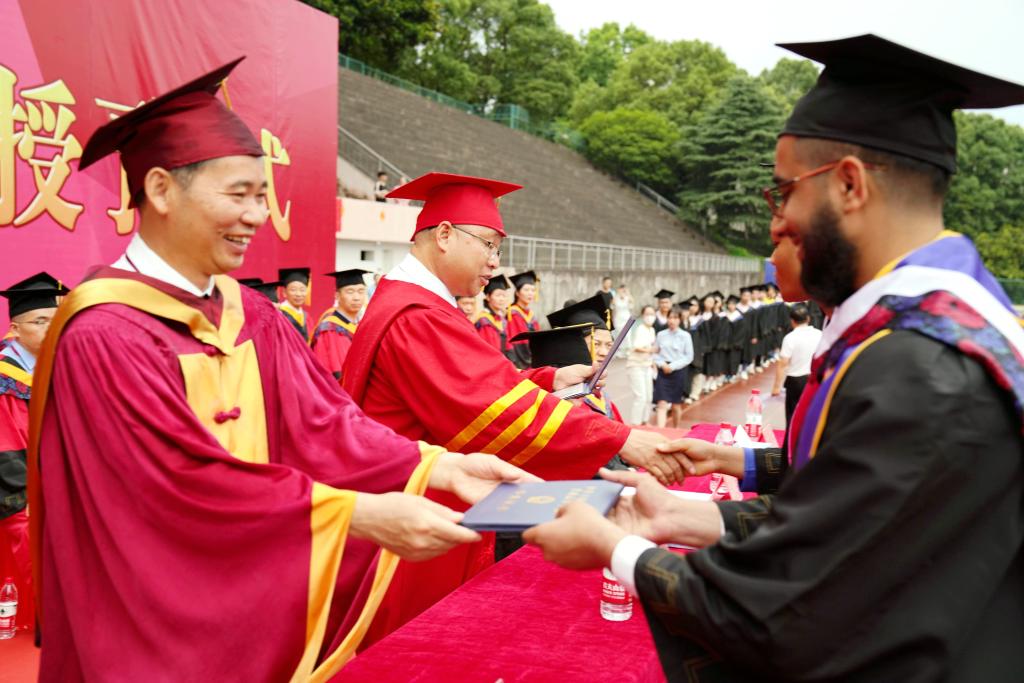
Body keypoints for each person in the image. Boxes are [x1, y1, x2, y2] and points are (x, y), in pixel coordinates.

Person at [524, 34, 1024, 681]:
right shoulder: (924, 333)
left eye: (783, 192)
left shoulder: (922, 367)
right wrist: (678, 513)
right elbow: (844, 530)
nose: (775, 223)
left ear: (849, 184)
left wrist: (617, 549)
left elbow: (790, 616)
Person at [35, 60, 538, 682]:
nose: (256, 215)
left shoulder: (249, 315)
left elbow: (325, 424)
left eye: (261, 196)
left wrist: (438, 466)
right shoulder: (105, 334)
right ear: (160, 190)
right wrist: (357, 515)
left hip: (244, 608)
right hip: (146, 624)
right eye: (238, 195)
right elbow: (177, 487)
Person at [342, 171, 690, 643]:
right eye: (488, 245)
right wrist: (620, 438)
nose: (494, 262)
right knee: (416, 647)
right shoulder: (417, 316)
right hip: (418, 513)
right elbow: (490, 410)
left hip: (426, 496)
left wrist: (549, 379)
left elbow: (475, 385)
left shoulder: (414, 302)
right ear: (444, 235)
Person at [0, 272, 66, 635]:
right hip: (15, 491)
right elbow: (7, 454)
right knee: (29, 528)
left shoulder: (62, 366)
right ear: (15, 329)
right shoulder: (5, 380)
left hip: (55, 482)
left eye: (56, 321)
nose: (51, 329)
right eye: (40, 322)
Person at [310, 268, 370, 381]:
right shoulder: (331, 330)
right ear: (337, 295)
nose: (356, 298)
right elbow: (338, 373)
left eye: (361, 291)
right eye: (350, 292)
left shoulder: (358, 324)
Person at [770, 302, 822, 427]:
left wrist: (776, 387)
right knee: (811, 414)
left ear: (792, 321)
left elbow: (783, 363)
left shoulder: (790, 338)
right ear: (808, 319)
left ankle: (791, 438)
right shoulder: (820, 334)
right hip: (815, 379)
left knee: (793, 415)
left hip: (796, 381)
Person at [652, 307, 693, 428]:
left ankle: (675, 429)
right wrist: (662, 364)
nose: (672, 320)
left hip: (678, 372)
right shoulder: (661, 335)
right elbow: (655, 353)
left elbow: (689, 357)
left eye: (675, 318)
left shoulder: (685, 336)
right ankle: (661, 431)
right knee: (661, 403)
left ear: (680, 320)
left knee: (676, 405)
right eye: (670, 317)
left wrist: (672, 366)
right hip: (663, 371)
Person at [506, 270, 539, 369]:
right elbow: (515, 342)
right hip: (519, 363)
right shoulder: (512, 313)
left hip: (532, 360)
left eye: (533, 290)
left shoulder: (531, 315)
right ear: (517, 293)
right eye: (526, 290)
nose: (530, 293)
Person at [473, 273, 512, 356]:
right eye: (498, 295)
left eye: (504, 295)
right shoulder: (484, 321)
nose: (501, 299)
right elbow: (487, 350)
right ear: (488, 297)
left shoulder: (502, 320)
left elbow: (508, 345)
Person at [277, 266, 311, 342]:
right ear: (284, 292)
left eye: (302, 290)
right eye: (293, 290)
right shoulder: (280, 315)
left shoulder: (307, 317)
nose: (298, 294)